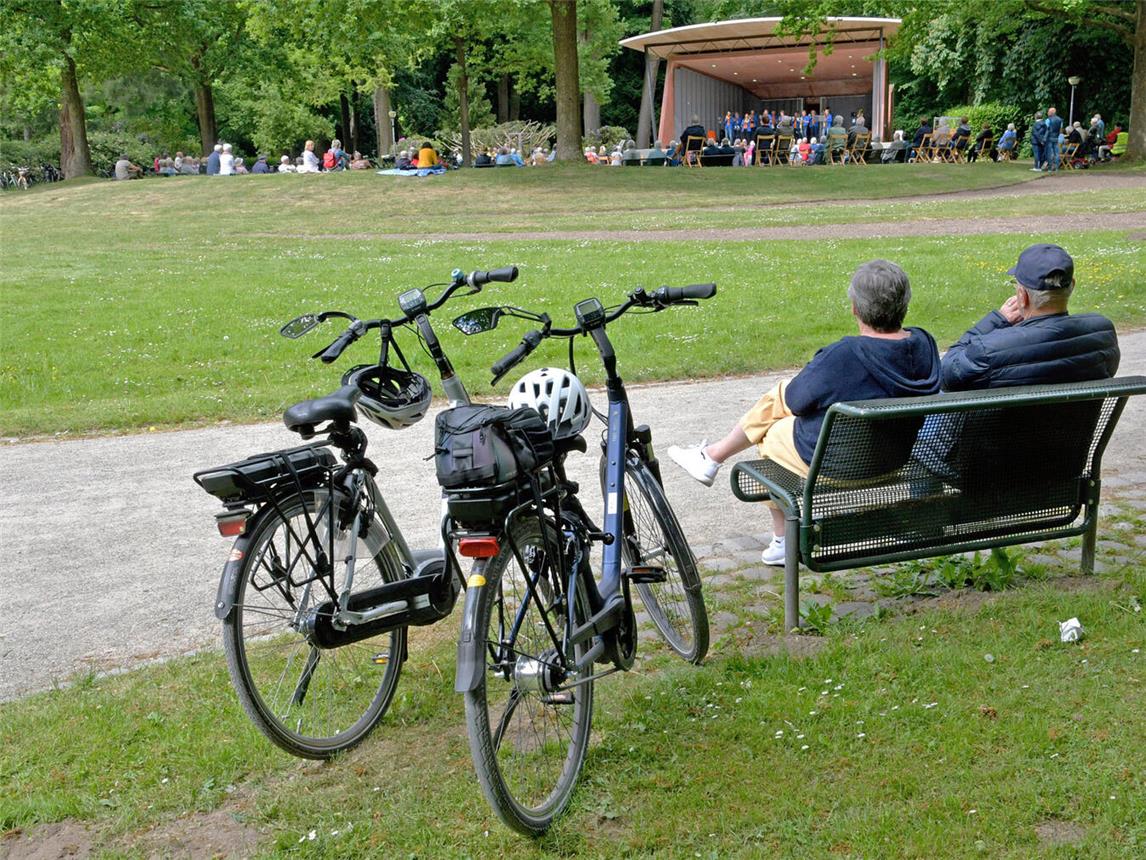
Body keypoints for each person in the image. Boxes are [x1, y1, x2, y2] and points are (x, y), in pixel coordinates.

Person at [667, 260, 941, 565]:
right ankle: (712, 458)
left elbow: (796, 400)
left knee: (771, 428)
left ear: (855, 308)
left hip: (836, 467)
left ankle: (778, 533)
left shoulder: (845, 355)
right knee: (781, 404)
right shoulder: (925, 345)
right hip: (894, 462)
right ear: (905, 304)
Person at [941, 244, 1119, 392]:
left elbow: (946, 374)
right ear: (1071, 286)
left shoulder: (987, 350)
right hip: (1074, 433)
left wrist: (997, 320)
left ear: (1022, 296)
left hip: (998, 434)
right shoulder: (1103, 333)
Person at [1044, 106, 1063, 172]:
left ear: (1052, 112)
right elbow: (1060, 130)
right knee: (1056, 153)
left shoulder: (1048, 120)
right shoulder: (1060, 120)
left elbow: (1046, 129)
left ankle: (1050, 168)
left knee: (1050, 153)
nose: (1047, 113)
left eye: (1049, 111)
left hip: (1049, 138)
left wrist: (1044, 138)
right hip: (1056, 137)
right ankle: (1057, 168)